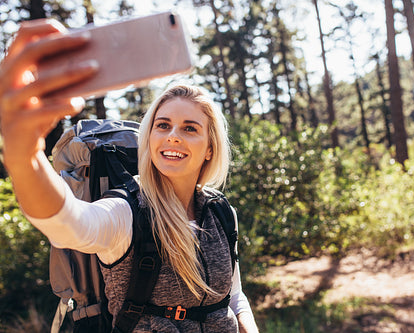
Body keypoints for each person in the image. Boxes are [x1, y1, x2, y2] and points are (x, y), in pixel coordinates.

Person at [0, 19, 259, 333]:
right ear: (149, 138)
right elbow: (68, 223)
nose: (173, 136)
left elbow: (232, 295)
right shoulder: (127, 213)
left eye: (189, 128)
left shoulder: (220, 212)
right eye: (162, 125)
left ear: (210, 148)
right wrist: (24, 156)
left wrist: (247, 325)